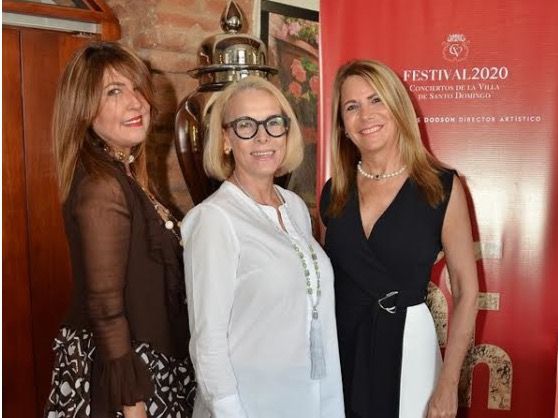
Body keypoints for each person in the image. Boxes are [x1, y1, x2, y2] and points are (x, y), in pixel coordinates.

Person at [320, 59, 478, 418]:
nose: (366, 115)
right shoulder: (334, 193)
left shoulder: (441, 187)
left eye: (376, 100)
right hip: (342, 347)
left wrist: (449, 383)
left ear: (397, 107)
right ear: (343, 126)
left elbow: (467, 292)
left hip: (409, 348)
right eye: (352, 106)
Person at [44, 41, 195, 418]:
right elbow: (105, 309)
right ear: (84, 110)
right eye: (114, 92)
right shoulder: (102, 187)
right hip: (124, 379)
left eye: (137, 88)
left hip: (148, 362)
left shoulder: (126, 175)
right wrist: (132, 404)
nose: (137, 102)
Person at [181, 76, 345, 418]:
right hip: (249, 404)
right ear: (225, 139)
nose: (262, 137)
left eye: (274, 123)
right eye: (245, 125)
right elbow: (207, 343)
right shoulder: (213, 219)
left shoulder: (294, 207)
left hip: (307, 397)